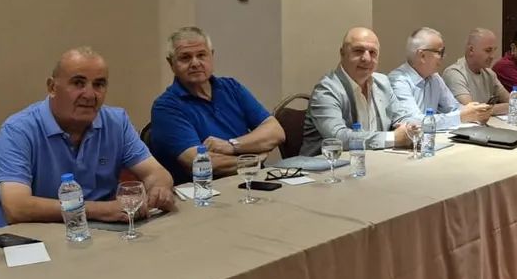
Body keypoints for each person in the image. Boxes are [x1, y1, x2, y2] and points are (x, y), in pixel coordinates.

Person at [0, 47, 175, 229]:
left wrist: (159, 189)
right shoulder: (17, 130)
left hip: (101, 233)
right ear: (52, 87)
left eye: (99, 85)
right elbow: (17, 207)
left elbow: (155, 172)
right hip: (33, 239)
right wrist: (102, 210)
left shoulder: (116, 122)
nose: (89, 95)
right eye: (78, 83)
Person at [148, 27, 286, 185]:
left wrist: (231, 145)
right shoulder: (166, 107)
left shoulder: (231, 87)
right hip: (204, 191)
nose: (195, 63)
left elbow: (276, 132)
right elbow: (200, 163)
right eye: (185, 58)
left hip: (249, 181)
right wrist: (254, 159)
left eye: (201, 55)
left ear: (211, 56)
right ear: (171, 63)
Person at [301, 27, 414, 156]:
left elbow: (401, 117)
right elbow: (339, 138)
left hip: (374, 160)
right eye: (358, 51)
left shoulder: (382, 82)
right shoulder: (326, 90)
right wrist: (393, 138)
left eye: (373, 52)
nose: (366, 58)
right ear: (342, 53)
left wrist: (411, 128)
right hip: (328, 164)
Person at [389, 27, 492, 129]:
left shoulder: (434, 77)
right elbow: (413, 122)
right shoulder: (398, 81)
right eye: (440, 52)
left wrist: (476, 113)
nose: (444, 56)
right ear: (422, 55)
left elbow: (454, 108)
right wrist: (460, 116)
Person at [443, 28, 517, 116]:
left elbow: (509, 99)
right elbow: (472, 110)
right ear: (471, 50)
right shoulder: (454, 73)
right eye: (488, 50)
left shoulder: (489, 74)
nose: (492, 56)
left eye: (494, 50)